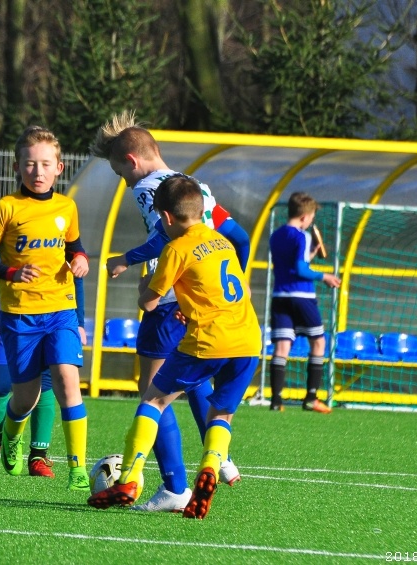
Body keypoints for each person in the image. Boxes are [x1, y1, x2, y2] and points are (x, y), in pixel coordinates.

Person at [89, 110, 250, 512]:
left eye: (121, 174)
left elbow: (165, 240)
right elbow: (239, 237)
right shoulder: (195, 187)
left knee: (154, 392)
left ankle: (173, 486)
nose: (125, 183)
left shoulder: (151, 189)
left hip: (168, 303)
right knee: (193, 378)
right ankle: (220, 456)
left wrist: (125, 259)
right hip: (211, 306)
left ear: (131, 162)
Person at [0, 125, 90, 491]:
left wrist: (81, 259)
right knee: (25, 398)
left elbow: (75, 249)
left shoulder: (67, 207)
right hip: (20, 317)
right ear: (17, 167)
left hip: (61, 311)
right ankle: (11, 434)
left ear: (59, 168)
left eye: (45, 164)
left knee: (68, 382)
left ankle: (78, 469)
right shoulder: (7, 207)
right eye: (29, 164)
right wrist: (12, 272)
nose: (37, 171)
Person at [0, 271, 87, 478]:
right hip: (10, 320)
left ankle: (38, 456)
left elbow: (75, 274)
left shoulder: (63, 248)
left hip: (53, 319)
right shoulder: (5, 249)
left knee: (46, 386)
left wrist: (79, 322)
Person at [268, 192, 341, 412]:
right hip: (302, 296)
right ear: (304, 217)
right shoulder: (302, 236)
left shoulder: (276, 235)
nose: (311, 222)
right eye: (311, 218)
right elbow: (300, 270)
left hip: (280, 296)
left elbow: (290, 265)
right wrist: (325, 276)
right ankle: (311, 398)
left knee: (282, 347)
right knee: (318, 342)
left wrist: (309, 256)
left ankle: (276, 401)